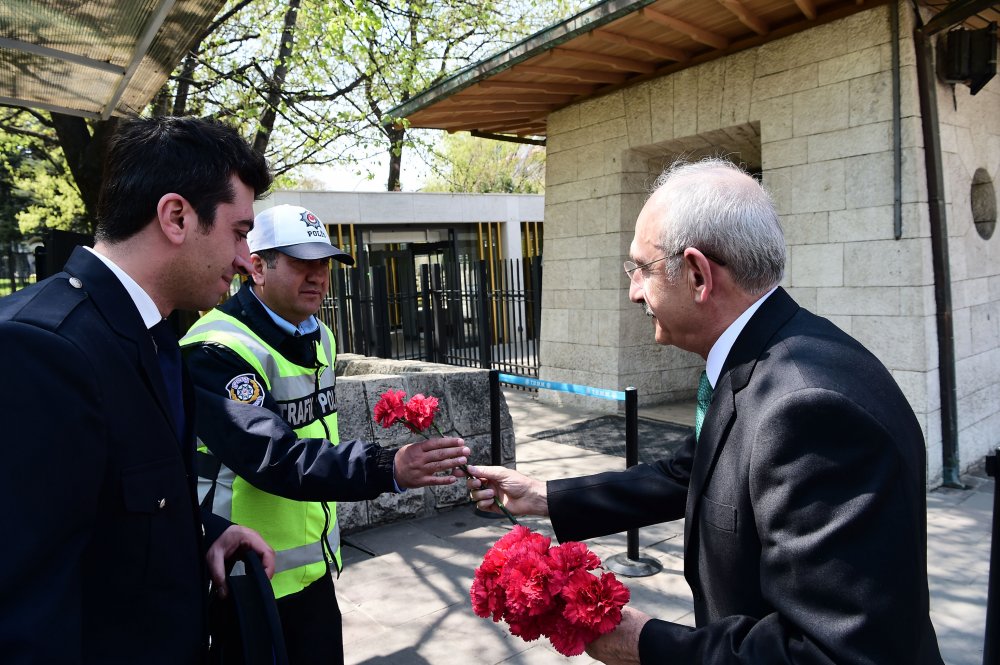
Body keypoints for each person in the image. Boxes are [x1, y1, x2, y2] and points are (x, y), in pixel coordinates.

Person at [465, 158, 945, 664]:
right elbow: (691, 472)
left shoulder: (807, 409)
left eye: (641, 270)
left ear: (697, 275)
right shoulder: (762, 356)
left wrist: (645, 642)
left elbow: (829, 652)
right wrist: (544, 496)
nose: (633, 292)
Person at [0, 116, 277, 664]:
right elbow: (24, 612)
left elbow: (121, 510)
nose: (248, 261)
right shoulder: (39, 349)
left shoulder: (155, 334)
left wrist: (207, 532)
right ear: (176, 216)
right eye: (240, 232)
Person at [180, 204, 471, 665]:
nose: (318, 275)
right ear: (257, 265)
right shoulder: (217, 348)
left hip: (314, 568)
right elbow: (276, 456)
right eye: (301, 262)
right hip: (246, 577)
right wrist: (387, 467)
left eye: (324, 262)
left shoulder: (321, 337)